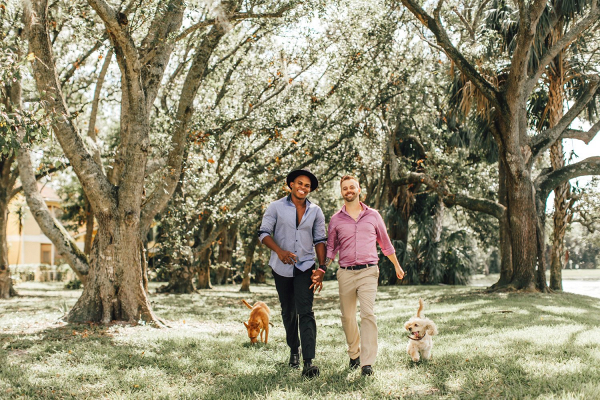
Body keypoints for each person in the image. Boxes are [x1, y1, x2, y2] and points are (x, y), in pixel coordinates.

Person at [311, 175, 404, 376]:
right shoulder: (336, 220)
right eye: (345, 188)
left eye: (352, 187)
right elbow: (331, 249)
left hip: (369, 271)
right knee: (347, 317)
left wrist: (396, 265)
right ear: (342, 192)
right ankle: (354, 353)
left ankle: (366, 363)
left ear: (359, 189)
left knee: (368, 314)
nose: (349, 191)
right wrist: (322, 269)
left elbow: (385, 243)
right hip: (345, 273)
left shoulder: (373, 215)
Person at [258, 169, 327, 378]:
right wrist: (279, 252)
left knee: (306, 311)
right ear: (291, 184)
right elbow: (263, 233)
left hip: (305, 266)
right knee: (288, 312)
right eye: (300, 183)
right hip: (281, 268)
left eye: (307, 185)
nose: (303, 188)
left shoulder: (316, 211)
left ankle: (308, 362)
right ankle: (293, 350)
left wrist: (322, 268)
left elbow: (320, 240)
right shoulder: (276, 207)